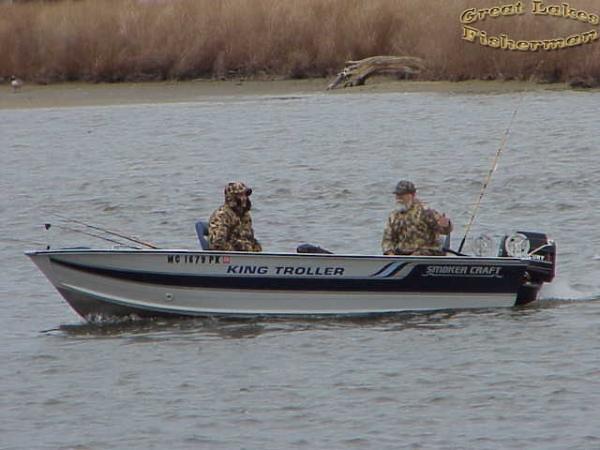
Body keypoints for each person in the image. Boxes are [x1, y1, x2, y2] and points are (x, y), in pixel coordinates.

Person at [381, 180, 452, 256]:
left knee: (418, 254)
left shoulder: (425, 211)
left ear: (412, 195)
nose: (399, 198)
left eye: (402, 195)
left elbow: (444, 231)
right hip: (402, 254)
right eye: (397, 195)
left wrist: (446, 225)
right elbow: (387, 239)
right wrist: (390, 254)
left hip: (425, 253)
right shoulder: (394, 216)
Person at [208, 182, 262, 252]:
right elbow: (217, 244)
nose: (244, 198)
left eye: (246, 195)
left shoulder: (245, 216)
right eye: (241, 195)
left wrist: (256, 248)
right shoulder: (222, 215)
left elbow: (249, 238)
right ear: (231, 197)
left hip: (247, 256)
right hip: (231, 256)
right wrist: (241, 250)